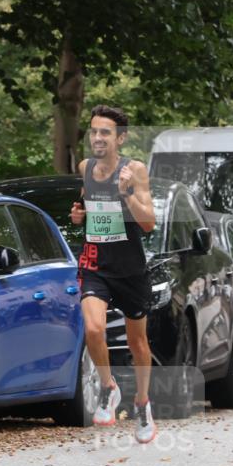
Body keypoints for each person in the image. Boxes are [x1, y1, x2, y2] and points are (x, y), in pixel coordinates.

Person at [70, 105, 157, 443]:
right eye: (93, 131)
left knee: (138, 344)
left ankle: (143, 403)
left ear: (120, 137)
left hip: (131, 270)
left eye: (105, 132)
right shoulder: (85, 167)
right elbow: (87, 204)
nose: (98, 138)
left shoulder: (134, 170)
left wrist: (126, 194)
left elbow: (148, 223)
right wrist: (80, 215)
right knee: (93, 327)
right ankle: (108, 387)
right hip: (95, 264)